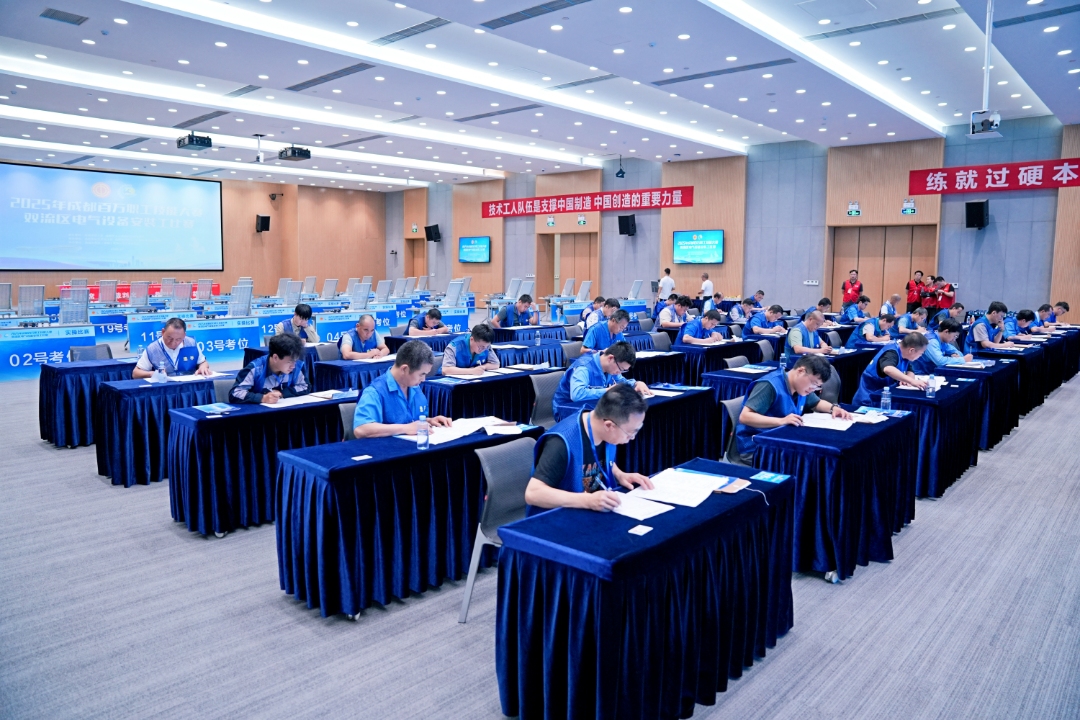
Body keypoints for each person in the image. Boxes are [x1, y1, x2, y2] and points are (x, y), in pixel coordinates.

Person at [525, 385, 654, 515]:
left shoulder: (601, 428)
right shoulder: (562, 442)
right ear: (609, 425)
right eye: (630, 432)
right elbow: (533, 493)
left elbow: (599, 459)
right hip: (556, 517)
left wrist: (620, 474)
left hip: (587, 510)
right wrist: (587, 500)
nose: (632, 438)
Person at [733, 355, 853, 465]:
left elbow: (816, 403)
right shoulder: (769, 385)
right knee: (808, 462)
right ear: (801, 371)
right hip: (757, 447)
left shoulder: (801, 388)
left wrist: (833, 408)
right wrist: (781, 421)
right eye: (813, 383)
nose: (813, 389)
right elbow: (745, 417)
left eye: (817, 386)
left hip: (782, 441)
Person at [352, 339, 451, 438]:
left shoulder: (414, 386)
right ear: (404, 369)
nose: (423, 379)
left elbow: (411, 421)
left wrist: (428, 421)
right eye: (421, 374)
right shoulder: (374, 392)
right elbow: (361, 429)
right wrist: (405, 428)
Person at [552, 342, 652, 410]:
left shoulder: (611, 368)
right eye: (620, 369)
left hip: (592, 407)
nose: (619, 372)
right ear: (610, 358)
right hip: (568, 411)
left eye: (623, 370)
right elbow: (577, 395)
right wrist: (607, 391)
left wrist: (636, 383)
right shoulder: (583, 367)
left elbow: (621, 381)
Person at [852, 332, 929, 407]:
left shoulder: (904, 354)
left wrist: (907, 379)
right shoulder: (891, 353)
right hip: (869, 400)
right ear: (911, 350)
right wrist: (912, 381)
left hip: (884, 398)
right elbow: (888, 369)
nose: (920, 356)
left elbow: (910, 369)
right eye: (921, 353)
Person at [229, 333, 309, 404]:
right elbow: (235, 393)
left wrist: (282, 393)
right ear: (275, 357)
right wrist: (262, 398)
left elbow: (305, 386)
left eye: (295, 361)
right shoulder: (255, 369)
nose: (293, 366)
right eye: (289, 362)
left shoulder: (296, 366)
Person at [132, 316, 211, 378]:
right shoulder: (152, 349)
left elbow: (203, 362)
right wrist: (152, 374)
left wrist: (203, 367)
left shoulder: (191, 343)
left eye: (178, 339)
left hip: (189, 386)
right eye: (170, 338)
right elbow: (135, 373)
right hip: (166, 387)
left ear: (184, 335)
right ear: (163, 332)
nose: (173, 343)